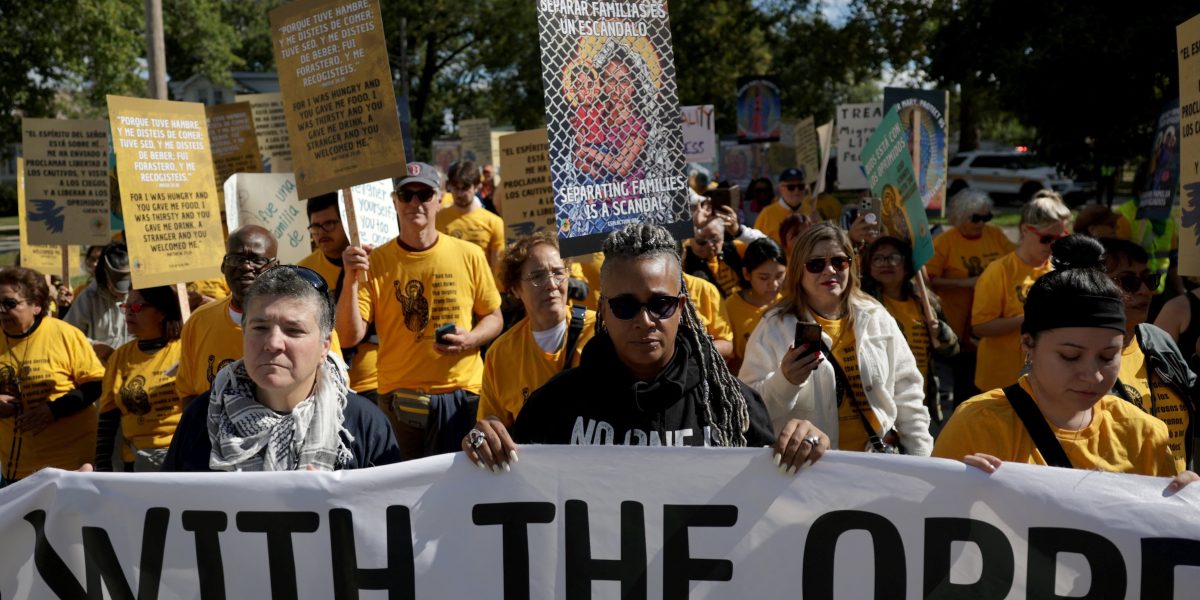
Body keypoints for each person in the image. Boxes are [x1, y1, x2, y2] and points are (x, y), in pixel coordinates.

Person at [461, 224, 829, 476]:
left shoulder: (730, 406)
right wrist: (483, 446)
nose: (645, 319)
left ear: (682, 308)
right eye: (625, 306)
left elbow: (778, 500)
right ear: (602, 309)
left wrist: (806, 449)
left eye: (661, 304)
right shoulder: (554, 405)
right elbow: (505, 494)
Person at [933, 236, 1184, 477]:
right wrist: (961, 491)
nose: (1093, 375)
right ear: (1028, 344)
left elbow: (1166, 517)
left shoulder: (1145, 435)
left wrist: (1187, 501)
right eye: (1070, 356)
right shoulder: (978, 426)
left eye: (1108, 356)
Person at [338, 162, 503, 459]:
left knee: (469, 485)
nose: (415, 202)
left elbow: (493, 317)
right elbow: (349, 337)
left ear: (440, 200)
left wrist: (471, 338)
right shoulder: (375, 261)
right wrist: (350, 280)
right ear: (394, 201)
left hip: (465, 392)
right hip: (400, 398)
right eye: (406, 195)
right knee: (407, 489)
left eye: (424, 194)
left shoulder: (470, 254)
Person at [163, 266, 401, 472]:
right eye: (260, 328)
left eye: (294, 330)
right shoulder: (202, 418)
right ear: (244, 334)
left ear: (324, 346)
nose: (273, 343)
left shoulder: (364, 425)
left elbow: (387, 515)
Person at [739, 223, 933, 454]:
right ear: (798, 271)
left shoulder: (875, 316)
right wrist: (785, 380)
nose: (829, 270)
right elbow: (747, 411)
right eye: (816, 264)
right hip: (808, 469)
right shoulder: (773, 328)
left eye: (839, 261)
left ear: (851, 265)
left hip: (876, 463)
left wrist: (922, 458)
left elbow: (907, 394)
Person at [477, 232, 596, 428]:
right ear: (515, 289)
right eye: (537, 277)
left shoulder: (600, 330)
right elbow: (492, 423)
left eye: (558, 273)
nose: (551, 285)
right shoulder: (500, 355)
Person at [0, 267, 105, 484]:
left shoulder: (65, 334)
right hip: (16, 469)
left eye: (9, 303)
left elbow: (96, 384)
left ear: (36, 305)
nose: (1, 310)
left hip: (70, 466)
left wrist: (54, 410)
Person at [1099, 238, 1196, 469]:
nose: (1145, 291)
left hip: (1176, 496)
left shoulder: (1157, 338)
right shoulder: (1072, 355)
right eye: (1129, 281)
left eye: (1149, 280)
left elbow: (1193, 397)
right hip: (1120, 499)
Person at [971, 193, 1069, 393]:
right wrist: (1030, 319)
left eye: (1061, 239)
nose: (1054, 246)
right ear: (1025, 230)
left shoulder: (1058, 270)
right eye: (1047, 238)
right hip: (1001, 381)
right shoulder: (999, 271)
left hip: (1042, 380)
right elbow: (980, 327)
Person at [926, 189, 1014, 404]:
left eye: (987, 217)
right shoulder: (945, 242)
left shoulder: (996, 235)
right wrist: (963, 283)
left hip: (993, 322)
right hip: (960, 325)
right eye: (976, 218)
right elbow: (928, 280)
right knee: (966, 382)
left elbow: (1015, 264)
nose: (982, 223)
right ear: (960, 217)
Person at [862, 237, 959, 423]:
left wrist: (941, 334)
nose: (886, 263)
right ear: (869, 265)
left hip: (919, 400)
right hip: (880, 400)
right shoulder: (862, 301)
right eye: (878, 258)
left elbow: (951, 351)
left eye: (894, 257)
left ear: (906, 265)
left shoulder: (925, 302)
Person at [298, 192, 380, 400]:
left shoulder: (373, 262)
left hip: (375, 381)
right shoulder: (304, 270)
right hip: (326, 385)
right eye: (315, 226)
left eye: (330, 224)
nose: (321, 232)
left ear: (347, 222)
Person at [94, 286, 183, 472]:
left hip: (180, 459)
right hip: (135, 463)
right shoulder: (120, 357)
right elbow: (108, 419)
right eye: (127, 307)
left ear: (162, 312)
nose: (128, 314)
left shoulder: (185, 350)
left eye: (137, 307)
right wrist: (102, 465)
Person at [722, 238, 785, 373]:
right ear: (746, 274)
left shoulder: (786, 304)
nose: (773, 284)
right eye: (764, 277)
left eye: (779, 276)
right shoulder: (730, 308)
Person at [65, 242, 132, 364]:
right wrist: (93, 345)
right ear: (105, 275)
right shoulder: (89, 297)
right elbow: (67, 334)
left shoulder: (140, 295)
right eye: (115, 287)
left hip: (133, 367)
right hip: (99, 371)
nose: (122, 293)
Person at [436, 160, 506, 270]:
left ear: (477, 186)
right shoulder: (437, 219)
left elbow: (498, 268)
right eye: (455, 187)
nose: (459, 194)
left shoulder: (494, 222)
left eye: (465, 188)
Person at [682, 217, 745, 298]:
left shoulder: (736, 248)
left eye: (715, 239)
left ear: (723, 236)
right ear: (690, 240)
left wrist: (739, 232)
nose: (709, 245)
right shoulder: (684, 258)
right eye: (701, 241)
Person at [754, 168, 814, 247]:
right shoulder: (767, 214)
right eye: (791, 187)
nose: (796, 191)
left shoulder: (811, 212)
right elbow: (755, 244)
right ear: (780, 189)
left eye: (800, 186)